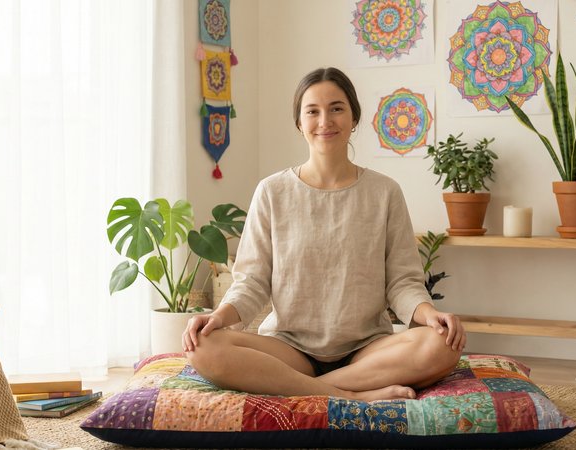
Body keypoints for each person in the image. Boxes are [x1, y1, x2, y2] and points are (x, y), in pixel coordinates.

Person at [183, 67, 465, 402]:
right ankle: (351, 395)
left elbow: (403, 281)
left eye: (336, 108)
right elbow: (252, 281)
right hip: (288, 349)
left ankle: (306, 387)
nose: (324, 121)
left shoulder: (385, 192)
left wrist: (430, 315)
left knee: (441, 345)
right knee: (203, 347)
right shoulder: (272, 191)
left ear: (354, 117)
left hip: (368, 349)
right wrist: (217, 317)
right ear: (299, 123)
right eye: (312, 111)